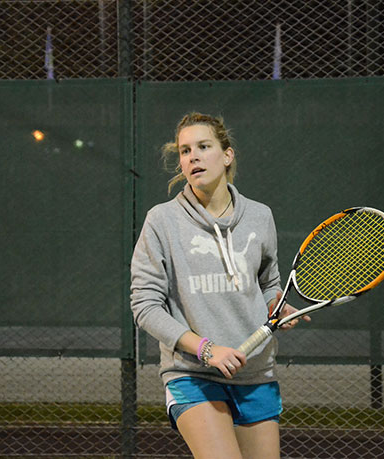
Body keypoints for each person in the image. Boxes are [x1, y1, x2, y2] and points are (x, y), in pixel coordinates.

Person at [130, 112, 309, 458]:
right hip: (192, 375)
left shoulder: (260, 216)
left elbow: (268, 282)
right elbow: (146, 307)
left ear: (227, 155)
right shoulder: (161, 221)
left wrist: (276, 303)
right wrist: (206, 350)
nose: (192, 156)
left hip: (255, 373)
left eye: (203, 146)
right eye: (184, 151)